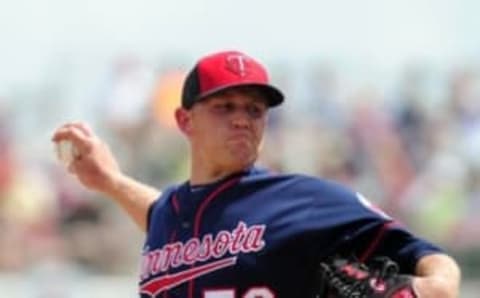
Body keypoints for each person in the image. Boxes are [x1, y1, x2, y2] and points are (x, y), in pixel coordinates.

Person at [52, 50, 461, 298]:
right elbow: (162, 213)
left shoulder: (306, 200)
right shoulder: (171, 213)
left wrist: (428, 289)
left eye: (254, 110)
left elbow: (434, 263)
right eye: (224, 106)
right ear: (184, 120)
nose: (242, 120)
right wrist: (112, 182)